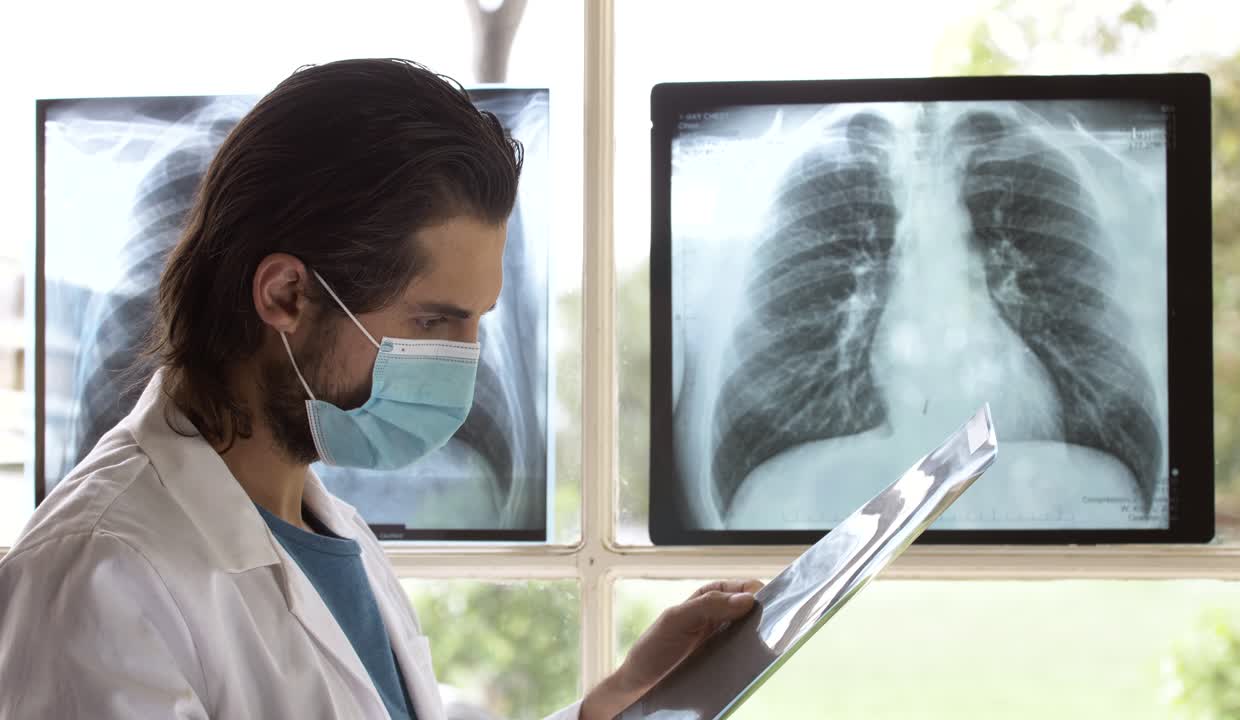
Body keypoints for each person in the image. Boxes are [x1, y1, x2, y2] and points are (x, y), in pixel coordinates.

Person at [0, 58, 762, 720]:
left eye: (476, 323)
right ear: (288, 296)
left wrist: (615, 700)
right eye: (433, 321)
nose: (467, 362)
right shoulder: (98, 577)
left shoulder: (325, 529)